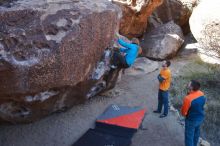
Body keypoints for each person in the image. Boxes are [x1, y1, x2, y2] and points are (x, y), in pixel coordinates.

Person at [181, 80, 206, 146]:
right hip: (200, 118)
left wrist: (185, 114)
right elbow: (203, 105)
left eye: (189, 84)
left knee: (189, 137)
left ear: (191, 87)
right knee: (196, 134)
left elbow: (183, 113)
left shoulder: (188, 98)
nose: (187, 84)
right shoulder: (201, 93)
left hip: (191, 120)